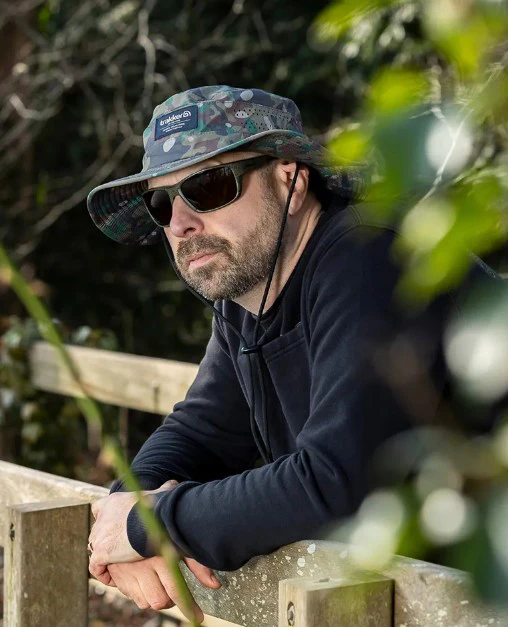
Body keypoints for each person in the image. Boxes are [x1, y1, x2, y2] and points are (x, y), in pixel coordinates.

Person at [85, 85, 497, 618]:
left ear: (291, 181)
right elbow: (201, 432)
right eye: (161, 203)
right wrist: (125, 516)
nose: (181, 223)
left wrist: (152, 524)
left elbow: (336, 484)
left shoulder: (371, 256)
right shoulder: (248, 291)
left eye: (208, 186)